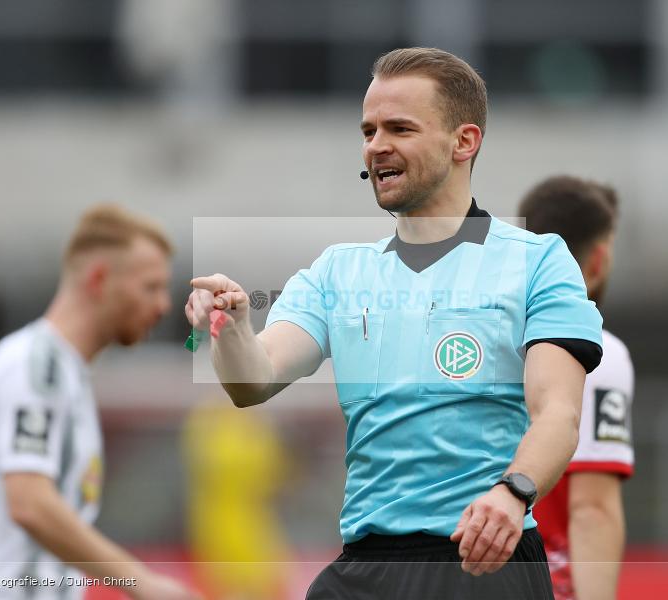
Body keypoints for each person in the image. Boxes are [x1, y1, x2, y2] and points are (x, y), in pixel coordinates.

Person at [186, 47, 603, 599]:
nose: (377, 144)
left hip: (482, 561)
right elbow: (252, 380)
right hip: (364, 569)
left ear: (464, 141)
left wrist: (512, 492)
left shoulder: (538, 261)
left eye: (400, 128)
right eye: (369, 129)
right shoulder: (338, 270)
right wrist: (232, 328)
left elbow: (558, 412)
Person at [0, 205, 200, 600]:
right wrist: (143, 583)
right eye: (150, 287)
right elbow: (29, 501)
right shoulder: (35, 365)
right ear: (99, 279)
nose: (164, 305)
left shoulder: (66, 375)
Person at [520, 176, 635, 600]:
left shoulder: (485, 339)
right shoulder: (598, 353)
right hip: (545, 582)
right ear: (599, 260)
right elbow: (592, 508)